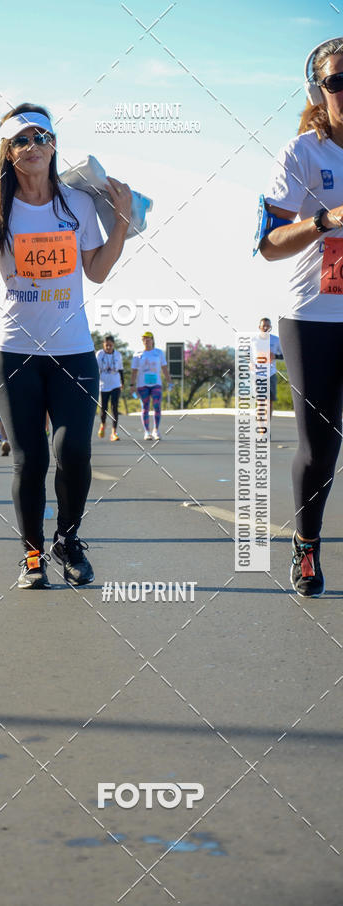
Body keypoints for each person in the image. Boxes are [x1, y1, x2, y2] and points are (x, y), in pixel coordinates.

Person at [0, 103, 132, 587]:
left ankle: (68, 539)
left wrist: (122, 222)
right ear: (8, 152)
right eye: (21, 140)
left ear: (53, 144)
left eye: (41, 137)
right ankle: (31, 555)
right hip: (14, 353)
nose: (33, 146)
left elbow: (97, 271)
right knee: (30, 459)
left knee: (75, 451)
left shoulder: (77, 204)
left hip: (73, 351)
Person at [258, 37, 343, 598]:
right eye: (338, 81)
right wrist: (326, 220)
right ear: (318, 91)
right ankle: (306, 545)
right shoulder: (302, 154)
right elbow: (268, 244)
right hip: (314, 313)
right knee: (321, 446)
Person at [130, 332, 171, 441]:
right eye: (144, 339)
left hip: (156, 383)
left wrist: (169, 381)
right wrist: (132, 385)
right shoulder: (137, 354)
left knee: (157, 406)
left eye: (148, 339)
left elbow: (164, 368)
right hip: (142, 384)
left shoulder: (158, 353)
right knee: (145, 407)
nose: (146, 341)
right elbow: (134, 371)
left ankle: (156, 430)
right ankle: (147, 431)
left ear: (152, 340)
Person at [252, 317, 282, 420]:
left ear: (270, 327)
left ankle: (267, 424)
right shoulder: (253, 340)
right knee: (260, 402)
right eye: (263, 326)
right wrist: (250, 363)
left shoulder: (276, 340)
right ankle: (261, 427)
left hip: (271, 374)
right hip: (258, 374)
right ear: (259, 327)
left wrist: (275, 356)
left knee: (269, 402)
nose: (265, 328)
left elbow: (284, 355)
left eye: (268, 326)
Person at [96, 334, 123, 441]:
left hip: (115, 384)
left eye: (110, 345)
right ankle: (103, 424)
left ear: (113, 345)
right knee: (104, 409)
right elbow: (95, 369)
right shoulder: (99, 354)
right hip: (103, 385)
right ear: (103, 344)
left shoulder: (118, 355)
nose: (108, 347)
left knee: (114, 407)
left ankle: (114, 432)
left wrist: (122, 383)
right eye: (106, 345)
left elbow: (121, 370)